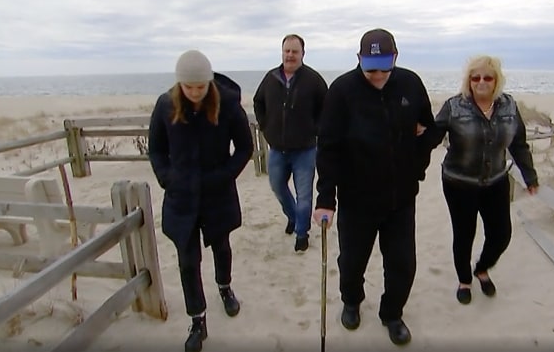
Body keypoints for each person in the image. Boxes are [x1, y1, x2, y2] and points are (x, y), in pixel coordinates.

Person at [312, 28, 435, 346]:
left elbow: (428, 129)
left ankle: (392, 313)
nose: (378, 75)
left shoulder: (410, 83)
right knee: (352, 262)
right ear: (359, 60)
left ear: (395, 57)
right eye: (370, 68)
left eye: (384, 66)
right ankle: (351, 301)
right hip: (356, 200)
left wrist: (417, 169)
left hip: (401, 198)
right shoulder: (341, 91)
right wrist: (325, 198)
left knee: (403, 264)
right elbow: (328, 147)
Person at [148, 50, 253, 352]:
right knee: (187, 260)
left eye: (200, 87)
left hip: (217, 193)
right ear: (180, 84)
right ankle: (198, 321)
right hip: (181, 197)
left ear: (209, 82)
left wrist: (224, 176)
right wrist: (168, 178)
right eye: (188, 87)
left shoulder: (228, 104)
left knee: (221, 246)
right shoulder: (166, 105)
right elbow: (156, 149)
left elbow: (245, 148)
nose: (195, 93)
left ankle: (225, 287)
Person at [427, 55, 539, 305]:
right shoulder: (454, 106)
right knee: (464, 234)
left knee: (501, 234)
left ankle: (482, 268)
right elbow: (432, 137)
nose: (481, 82)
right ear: (468, 80)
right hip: (458, 183)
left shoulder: (509, 106)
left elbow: (519, 144)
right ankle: (465, 280)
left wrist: (529, 176)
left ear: (497, 80)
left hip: (497, 181)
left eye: (487, 77)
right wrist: (414, 139)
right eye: (475, 77)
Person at [253, 34, 328, 252]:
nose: (290, 55)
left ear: (303, 54)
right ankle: (294, 217)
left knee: (304, 196)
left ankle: (301, 234)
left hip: (305, 151)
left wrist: (316, 130)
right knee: (277, 187)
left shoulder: (314, 80)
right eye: (287, 51)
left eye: (295, 51)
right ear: (282, 52)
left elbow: (327, 109)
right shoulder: (271, 77)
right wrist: (266, 126)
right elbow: (258, 102)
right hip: (277, 149)